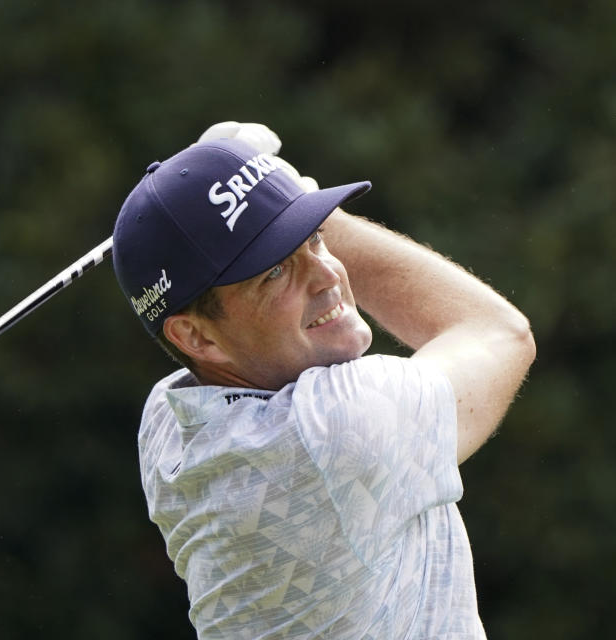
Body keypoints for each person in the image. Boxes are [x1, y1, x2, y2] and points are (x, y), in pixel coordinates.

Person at [112, 122, 535, 639]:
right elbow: (497, 332)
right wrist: (314, 212)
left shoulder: (168, 423)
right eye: (273, 271)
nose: (328, 274)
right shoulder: (332, 430)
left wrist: (251, 202)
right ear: (196, 338)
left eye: (315, 240)